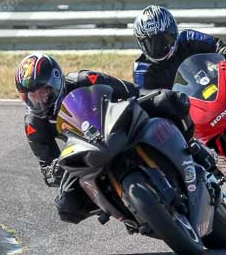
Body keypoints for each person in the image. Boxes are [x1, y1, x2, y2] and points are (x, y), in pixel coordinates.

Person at [15, 53, 215, 224]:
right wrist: (54, 170)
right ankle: (120, 209)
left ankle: (194, 150)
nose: (39, 100)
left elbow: (131, 91)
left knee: (169, 100)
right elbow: (46, 168)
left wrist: (148, 101)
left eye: (43, 92)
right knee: (66, 207)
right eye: (31, 96)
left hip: (113, 124)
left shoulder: (85, 79)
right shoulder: (34, 123)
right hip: (84, 151)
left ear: (56, 82)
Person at [132, 5, 226, 97]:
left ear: (173, 33)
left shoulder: (188, 39)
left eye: (162, 40)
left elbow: (222, 48)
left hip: (218, 91)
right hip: (186, 116)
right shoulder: (142, 70)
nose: (157, 47)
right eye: (150, 43)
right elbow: (147, 99)